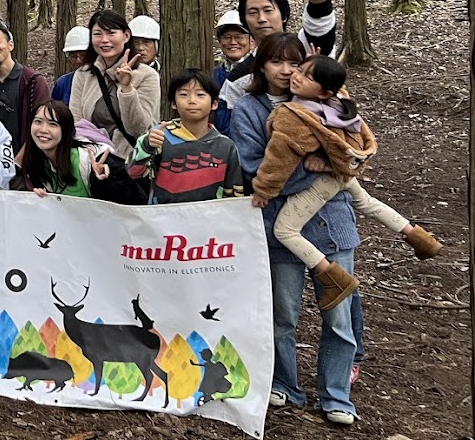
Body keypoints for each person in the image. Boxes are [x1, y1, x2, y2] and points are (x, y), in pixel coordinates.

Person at [231, 32, 359, 425]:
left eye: (294, 62)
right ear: (261, 65)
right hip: (277, 225)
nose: (286, 71)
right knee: (282, 314)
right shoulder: (248, 109)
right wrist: (313, 168)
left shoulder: (328, 103)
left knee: (338, 314)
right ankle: (285, 383)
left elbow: (352, 153)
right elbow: (252, 167)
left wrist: (333, 165)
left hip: (332, 220)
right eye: (276, 61)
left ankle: (336, 395)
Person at [251, 55, 440, 307]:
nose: (296, 76)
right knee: (368, 203)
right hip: (344, 172)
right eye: (300, 70)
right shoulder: (339, 100)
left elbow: (280, 158)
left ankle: (333, 278)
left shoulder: (294, 115)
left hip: (323, 182)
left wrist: (264, 190)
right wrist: (320, 59)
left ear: (324, 91)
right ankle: (420, 238)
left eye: (308, 77)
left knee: (284, 230)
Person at [221, 0, 338, 110]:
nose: (262, 18)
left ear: (283, 15)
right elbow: (227, 121)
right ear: (244, 21)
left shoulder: (306, 47)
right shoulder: (238, 79)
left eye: (268, 10)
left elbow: (320, 8)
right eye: (253, 12)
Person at [127, 70, 244, 204]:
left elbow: (234, 195)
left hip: (210, 216)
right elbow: (133, 172)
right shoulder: (158, 136)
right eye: (183, 94)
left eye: (200, 95)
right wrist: (147, 146)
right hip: (164, 215)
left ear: (214, 104)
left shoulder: (225, 146)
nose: (192, 101)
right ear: (173, 103)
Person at [68, 8, 160, 161]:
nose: (104, 40)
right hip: (91, 159)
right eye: (97, 34)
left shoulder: (147, 75)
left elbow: (139, 129)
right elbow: (76, 123)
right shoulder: (84, 74)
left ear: (126, 36)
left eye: (111, 33)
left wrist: (127, 88)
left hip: (131, 162)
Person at [0, 20, 51, 157]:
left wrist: (20, 161)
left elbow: (43, 126)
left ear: (10, 44)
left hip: (29, 161)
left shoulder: (33, 82)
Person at [13, 100, 111, 197]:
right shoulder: (37, 163)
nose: (43, 130)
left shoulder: (87, 161)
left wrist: (99, 180)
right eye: (38, 121)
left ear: (66, 130)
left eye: (53, 124)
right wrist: (43, 199)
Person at [211, 10, 251, 134]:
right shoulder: (214, 75)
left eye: (239, 37)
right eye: (227, 37)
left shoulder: (257, 73)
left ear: (251, 40)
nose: (233, 42)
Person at [52, 26, 90, 105]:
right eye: (73, 56)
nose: (78, 60)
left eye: (83, 55)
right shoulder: (63, 83)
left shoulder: (103, 82)